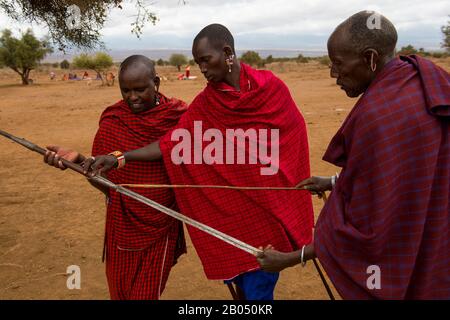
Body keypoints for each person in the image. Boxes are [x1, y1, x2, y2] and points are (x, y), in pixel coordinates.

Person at [82, 24, 314, 300]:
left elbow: (292, 135)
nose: (202, 68)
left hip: (269, 205)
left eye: (206, 60)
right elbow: (171, 143)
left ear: (227, 53)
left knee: (259, 287)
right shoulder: (206, 103)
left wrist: (271, 175)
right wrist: (121, 158)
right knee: (243, 286)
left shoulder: (270, 88)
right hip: (232, 215)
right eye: (197, 62)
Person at [256, 11, 450, 299]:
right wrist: (335, 181)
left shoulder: (379, 115)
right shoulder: (426, 81)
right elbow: (399, 176)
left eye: (337, 64)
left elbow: (369, 227)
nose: (333, 74)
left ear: (370, 58)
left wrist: (292, 257)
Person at [44, 55, 188, 300]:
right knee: (120, 294)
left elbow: (183, 158)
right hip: (121, 224)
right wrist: (79, 161)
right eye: (126, 91)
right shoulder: (113, 121)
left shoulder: (177, 117)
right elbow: (106, 185)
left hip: (162, 224)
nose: (132, 97)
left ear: (156, 82)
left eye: (140, 89)